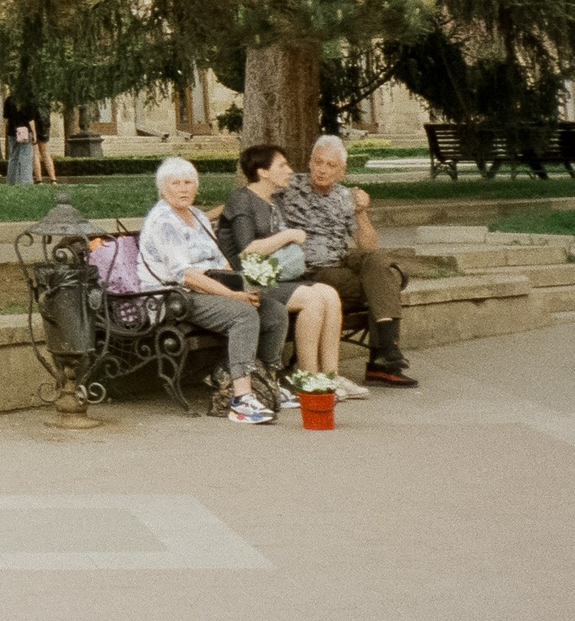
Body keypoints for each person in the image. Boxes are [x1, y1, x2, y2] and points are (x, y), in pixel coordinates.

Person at [138, 156, 276, 423]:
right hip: (173, 297)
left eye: (188, 182)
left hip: (205, 289)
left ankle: (266, 382)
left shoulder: (197, 216)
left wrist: (240, 284)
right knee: (243, 314)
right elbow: (186, 275)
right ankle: (241, 399)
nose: (183, 188)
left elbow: (219, 260)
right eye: (175, 183)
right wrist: (234, 295)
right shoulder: (163, 221)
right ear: (163, 189)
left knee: (272, 308)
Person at [221, 143, 363, 397]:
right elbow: (247, 252)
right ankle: (308, 380)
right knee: (312, 300)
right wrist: (288, 235)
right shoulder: (243, 199)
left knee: (329, 294)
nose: (289, 170)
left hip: (275, 276)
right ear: (263, 172)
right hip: (247, 282)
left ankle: (331, 376)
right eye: (282, 165)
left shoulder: (273, 200)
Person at [280, 135, 418, 387]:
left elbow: (367, 245)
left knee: (377, 260)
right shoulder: (290, 187)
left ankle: (386, 352)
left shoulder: (345, 196)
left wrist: (361, 211)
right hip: (311, 267)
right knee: (383, 282)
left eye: (330, 165)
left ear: (342, 170)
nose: (322, 169)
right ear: (309, 162)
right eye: (318, 162)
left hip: (341, 257)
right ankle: (384, 355)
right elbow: (250, 198)